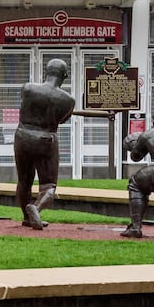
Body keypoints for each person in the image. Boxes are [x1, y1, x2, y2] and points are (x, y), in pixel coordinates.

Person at [14, 58, 103, 230]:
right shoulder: (67, 100)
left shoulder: (28, 88)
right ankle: (36, 209)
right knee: (49, 185)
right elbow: (61, 120)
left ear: (46, 72)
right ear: (65, 76)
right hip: (46, 139)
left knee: (24, 181)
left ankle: (26, 218)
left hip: (22, 136)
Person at [121, 107, 154, 238]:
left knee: (135, 183)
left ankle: (135, 228)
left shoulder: (149, 133)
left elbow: (135, 157)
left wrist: (135, 143)